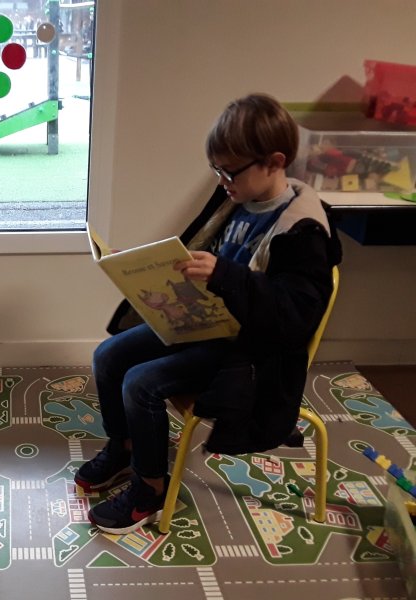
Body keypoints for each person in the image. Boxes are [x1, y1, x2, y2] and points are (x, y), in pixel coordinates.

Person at [75, 93, 343, 535]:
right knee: (108, 355)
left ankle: (150, 486)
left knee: (140, 384)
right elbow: (199, 256)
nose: (222, 180)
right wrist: (143, 267)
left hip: (247, 353)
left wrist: (225, 275)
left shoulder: (302, 231)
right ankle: (125, 447)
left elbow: (293, 317)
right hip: (203, 324)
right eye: (216, 170)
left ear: (274, 162)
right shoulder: (235, 200)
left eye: (229, 171)